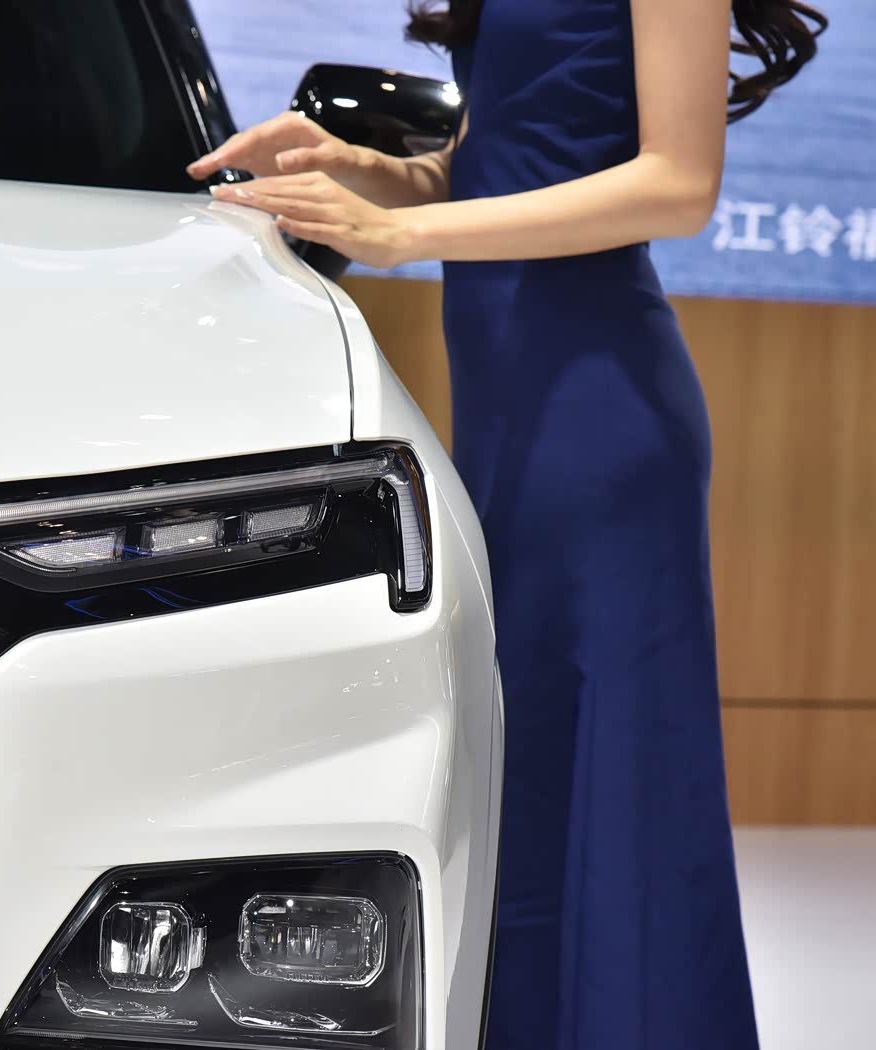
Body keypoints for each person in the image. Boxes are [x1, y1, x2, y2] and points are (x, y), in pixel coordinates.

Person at [187, 1, 827, 1048]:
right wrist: (360, 169)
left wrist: (401, 235)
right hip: (511, 413)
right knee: (527, 773)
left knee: (615, 786)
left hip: (597, 419)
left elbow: (678, 185)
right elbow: (490, 171)